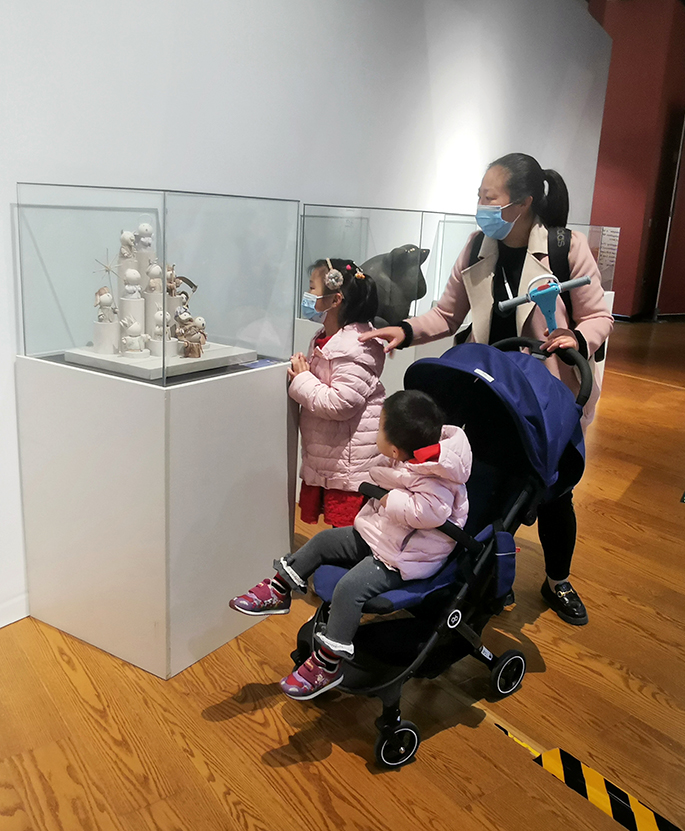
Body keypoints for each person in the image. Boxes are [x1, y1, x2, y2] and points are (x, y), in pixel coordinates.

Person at [360, 153, 613, 626]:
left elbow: (599, 316)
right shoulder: (477, 246)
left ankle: (557, 580)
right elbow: (446, 314)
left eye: (488, 197)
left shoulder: (565, 247)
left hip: (544, 395)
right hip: (487, 391)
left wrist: (576, 338)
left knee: (553, 492)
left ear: (522, 202)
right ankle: (488, 571)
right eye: (480, 196)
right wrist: (405, 331)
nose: (481, 205)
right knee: (483, 484)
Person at [230, 390, 472, 700]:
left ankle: (328, 664)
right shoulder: (408, 457)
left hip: (402, 557)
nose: (376, 430)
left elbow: (431, 512)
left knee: (349, 588)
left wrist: (390, 499)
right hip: (380, 535)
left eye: (379, 425)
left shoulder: (437, 476)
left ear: (395, 449)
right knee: (323, 541)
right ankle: (280, 589)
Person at [291, 258, 386, 531]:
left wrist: (302, 379)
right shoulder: (327, 337)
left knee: (349, 532)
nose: (308, 295)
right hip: (334, 454)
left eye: (312, 288)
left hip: (349, 464)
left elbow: (341, 403)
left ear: (335, 300)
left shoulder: (356, 346)